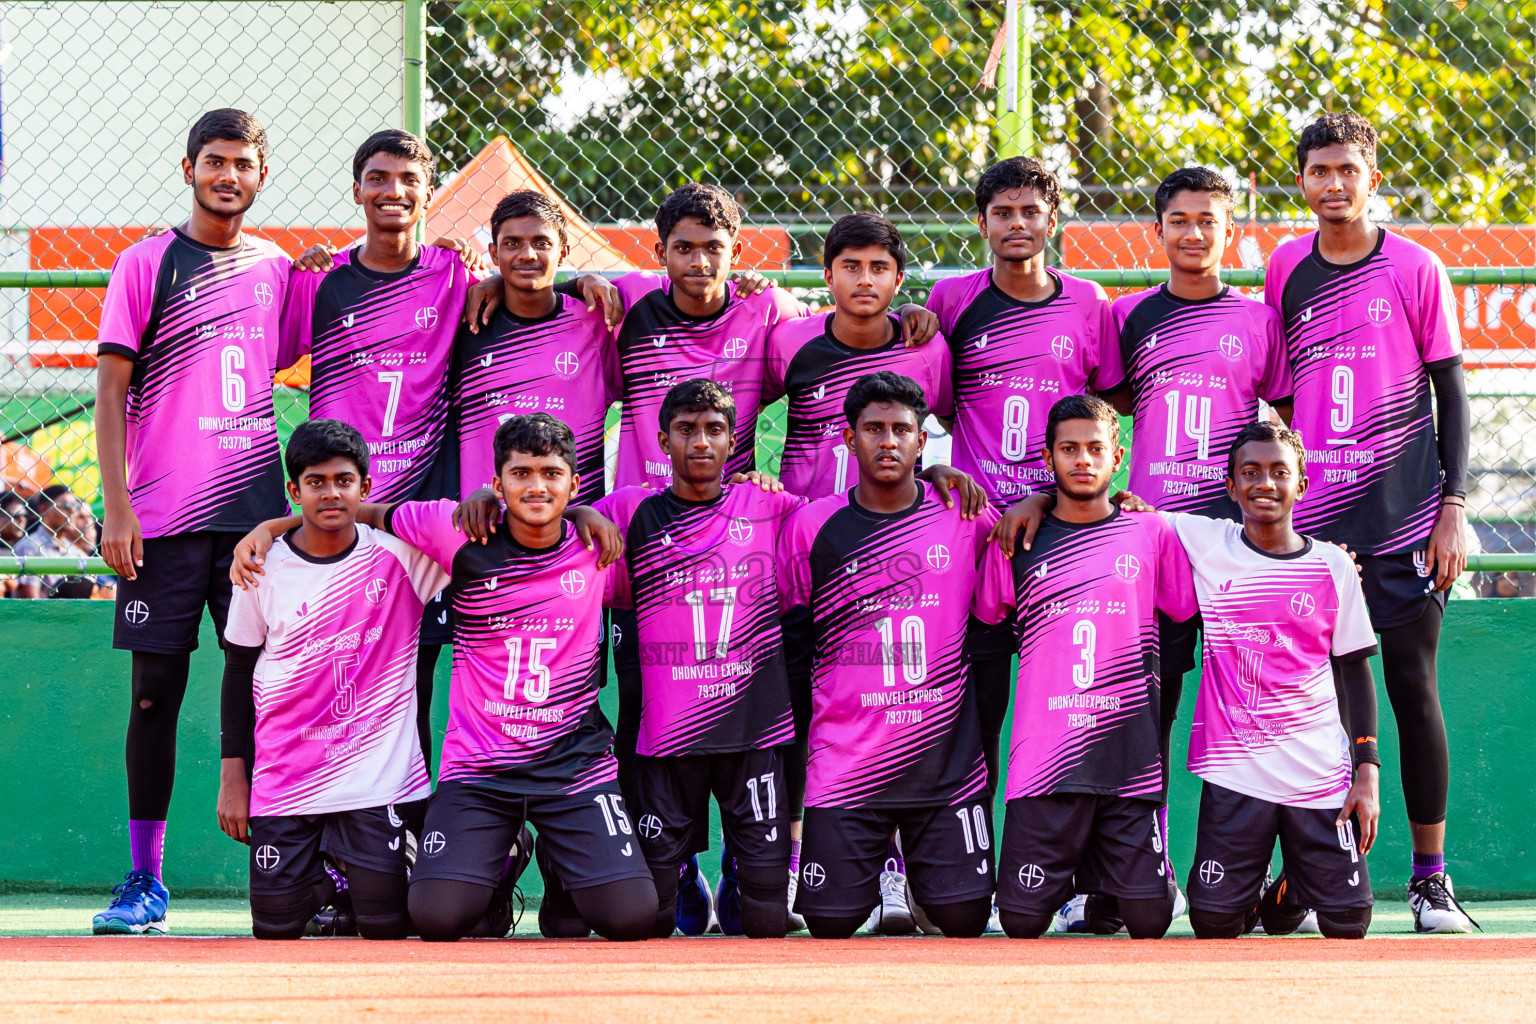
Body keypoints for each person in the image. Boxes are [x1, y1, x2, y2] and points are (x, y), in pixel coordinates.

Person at [235, 413, 653, 941]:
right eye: (521, 474)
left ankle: (560, 856)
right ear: (498, 484)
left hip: (573, 764)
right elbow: (352, 510)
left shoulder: (599, 544)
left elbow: (678, 502)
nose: (537, 486)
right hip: (479, 768)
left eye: (551, 474)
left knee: (631, 918)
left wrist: (588, 510)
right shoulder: (454, 529)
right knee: (436, 918)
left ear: (574, 482)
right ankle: (507, 859)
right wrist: (271, 527)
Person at [1264, 112, 1474, 932]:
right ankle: (1314, 872)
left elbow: (1450, 394)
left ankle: (1430, 880)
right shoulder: (1286, 265)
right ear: (1303, 181)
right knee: (1309, 700)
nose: (1333, 184)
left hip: (1407, 520)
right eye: (1319, 170)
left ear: (1371, 177)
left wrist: (1451, 509)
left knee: (1412, 688)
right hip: (1317, 529)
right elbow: (1281, 399)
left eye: (1348, 169)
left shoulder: (1415, 267)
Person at [91, 109, 293, 935]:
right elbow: (109, 392)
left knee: (274, 692)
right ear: (188, 169)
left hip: (255, 522)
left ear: (261, 176)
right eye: (214, 162)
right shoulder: (146, 263)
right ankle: (145, 881)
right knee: (153, 698)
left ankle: (292, 872)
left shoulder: (280, 268)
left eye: (242, 164)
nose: (228, 175)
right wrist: (117, 505)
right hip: (164, 520)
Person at [279, 129, 491, 819]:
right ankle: (339, 849)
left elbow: (531, 288)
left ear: (429, 193)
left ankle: (424, 842)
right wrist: (298, 270)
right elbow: (268, 348)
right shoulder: (321, 281)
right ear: (356, 189)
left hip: (421, 518)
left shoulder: (456, 275)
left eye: (407, 179)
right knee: (338, 683)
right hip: (345, 523)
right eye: (378, 178)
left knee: (423, 682)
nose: (392, 191)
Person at [1098, 166, 1293, 910]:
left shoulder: (1258, 321)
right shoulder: (1130, 319)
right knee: (1151, 708)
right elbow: (1113, 402)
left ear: (1229, 230)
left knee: (1253, 705)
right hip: (1155, 542)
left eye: (1208, 220)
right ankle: (1141, 869)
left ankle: (1259, 874)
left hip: (1236, 543)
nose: (1193, 232)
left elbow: (1281, 424)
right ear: (1159, 230)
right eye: (1179, 219)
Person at [925, 157, 1122, 816]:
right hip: (976, 534)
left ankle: (1064, 868)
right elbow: (940, 408)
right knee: (966, 705)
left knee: (1064, 703)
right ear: (981, 223)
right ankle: (952, 855)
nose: (1017, 224)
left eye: (1030, 212)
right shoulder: (952, 300)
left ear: (1051, 220)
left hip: (1060, 533)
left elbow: (1100, 416)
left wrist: (1051, 496)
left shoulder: (1090, 303)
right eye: (1003, 213)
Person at [777, 371, 995, 940]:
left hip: (943, 764)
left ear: (923, 441)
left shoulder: (964, 515)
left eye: (902, 430)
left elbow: (1022, 552)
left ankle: (923, 885)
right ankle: (877, 878)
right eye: (873, 429)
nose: (888, 442)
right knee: (829, 923)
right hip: (848, 762)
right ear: (849, 440)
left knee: (964, 920)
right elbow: (793, 630)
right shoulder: (812, 525)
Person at [974, 395, 1196, 940]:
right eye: (1069, 449)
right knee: (1022, 923)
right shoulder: (1018, 538)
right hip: (1044, 762)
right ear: (1048, 458)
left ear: (1116, 456)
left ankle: (1103, 894)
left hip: (1127, 762)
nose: (1083, 460)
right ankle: (1074, 884)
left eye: (1096, 449)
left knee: (1150, 922)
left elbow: (1182, 613)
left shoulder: (1153, 533)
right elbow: (986, 615)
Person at [215, 419, 447, 940]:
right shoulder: (259, 568)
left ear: (366, 488)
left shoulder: (400, 557)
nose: (331, 493)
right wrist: (234, 779)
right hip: (286, 783)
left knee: (386, 927)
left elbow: (473, 528)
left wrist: (582, 509)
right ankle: (327, 883)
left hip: (377, 782)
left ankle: (375, 879)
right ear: (293, 491)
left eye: (344, 481)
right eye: (315, 483)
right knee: (273, 928)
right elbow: (236, 674)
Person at [591, 379, 803, 938]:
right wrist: (582, 516)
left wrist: (935, 478)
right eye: (686, 430)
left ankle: (740, 870)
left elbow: (854, 517)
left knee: (764, 923)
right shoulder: (626, 510)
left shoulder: (771, 505)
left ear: (735, 442)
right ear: (663, 440)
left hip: (753, 730)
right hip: (665, 735)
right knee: (650, 921)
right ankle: (683, 872)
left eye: (714, 430)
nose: (701, 443)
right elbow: (552, 538)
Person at [1161, 421, 1381, 939]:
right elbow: (1121, 514)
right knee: (1214, 924)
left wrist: (1366, 771)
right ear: (1231, 485)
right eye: (1251, 472)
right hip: (1238, 773)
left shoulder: (1333, 567)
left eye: (1280, 472)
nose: (1265, 483)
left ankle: (1291, 888)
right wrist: (1032, 505)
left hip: (1319, 774)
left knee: (1349, 923)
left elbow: (1355, 670)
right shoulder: (1207, 542)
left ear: (1300, 484)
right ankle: (1253, 886)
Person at [14, 485, 98, 599]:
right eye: (66, 505)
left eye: (75, 506)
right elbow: (30, 603)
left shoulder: (72, 549)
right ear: (44, 509)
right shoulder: (31, 546)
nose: (72, 511)